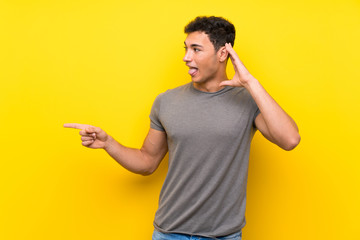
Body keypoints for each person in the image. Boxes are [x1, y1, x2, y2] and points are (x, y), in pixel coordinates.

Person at [64, 16, 300, 240]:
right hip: (169, 232)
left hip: (223, 236)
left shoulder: (248, 101)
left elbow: (290, 139)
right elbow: (147, 162)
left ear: (222, 53)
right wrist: (108, 143)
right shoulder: (166, 102)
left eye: (196, 49)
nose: (187, 57)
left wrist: (250, 82)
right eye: (186, 48)